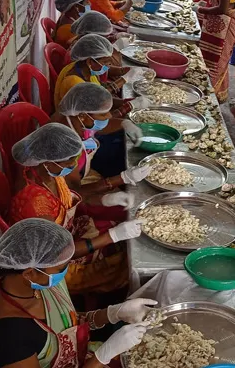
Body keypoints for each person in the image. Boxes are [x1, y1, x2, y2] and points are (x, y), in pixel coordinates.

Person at [0, 219, 152, 368]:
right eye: (61, 269)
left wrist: (112, 313)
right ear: (30, 273)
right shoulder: (8, 335)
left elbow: (66, 325)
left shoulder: (38, 285)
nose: (66, 270)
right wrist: (104, 354)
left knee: (146, 366)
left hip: (70, 367)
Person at [9, 121, 143, 295]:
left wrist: (108, 197)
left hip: (66, 233)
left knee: (123, 226)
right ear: (48, 162)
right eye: (69, 162)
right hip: (53, 265)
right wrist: (113, 236)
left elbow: (74, 194)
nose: (73, 166)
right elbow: (55, 255)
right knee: (127, 257)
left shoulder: (48, 173)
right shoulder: (34, 203)